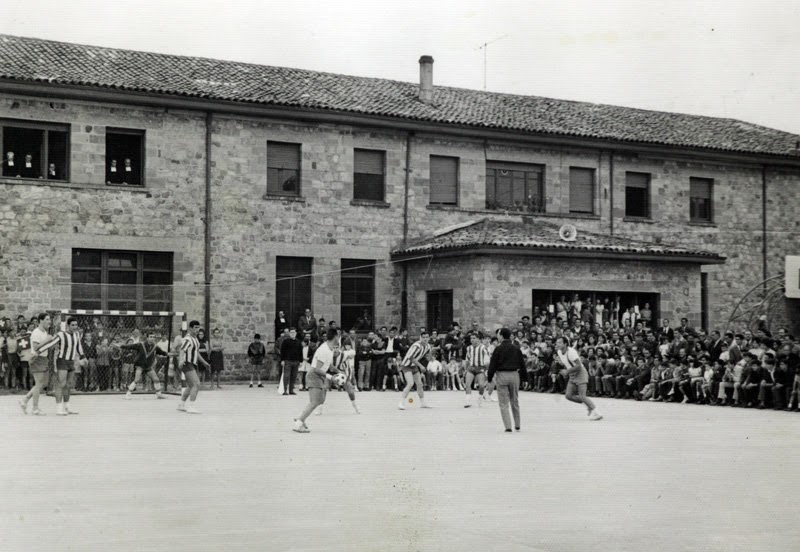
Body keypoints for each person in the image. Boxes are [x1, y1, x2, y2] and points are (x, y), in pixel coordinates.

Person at [36, 316, 87, 416]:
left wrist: (83, 357)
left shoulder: (77, 335)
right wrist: (38, 351)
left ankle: (67, 407)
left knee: (69, 385)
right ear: (67, 325)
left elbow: (79, 347)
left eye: (76, 325)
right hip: (62, 361)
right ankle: (59, 408)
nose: (75, 327)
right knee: (61, 384)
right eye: (72, 325)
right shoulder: (61, 334)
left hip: (71, 361)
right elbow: (50, 344)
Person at [293, 328, 340, 433]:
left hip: (319, 376)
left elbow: (329, 365)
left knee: (320, 400)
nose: (339, 338)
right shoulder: (324, 350)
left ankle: (300, 417)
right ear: (336, 337)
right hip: (314, 375)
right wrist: (331, 377)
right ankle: (299, 423)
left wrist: (339, 371)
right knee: (315, 401)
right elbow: (316, 369)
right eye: (339, 336)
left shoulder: (330, 349)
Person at [487, 328, 526, 432]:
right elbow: (522, 364)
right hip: (514, 374)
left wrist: (489, 377)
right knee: (515, 400)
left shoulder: (498, 349)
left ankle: (508, 426)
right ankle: (517, 424)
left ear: (502, 336)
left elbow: (493, 365)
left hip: (502, 375)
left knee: (503, 402)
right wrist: (525, 378)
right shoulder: (516, 348)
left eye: (499, 335)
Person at [556, 336, 603, 420]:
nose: (557, 344)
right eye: (557, 342)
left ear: (565, 344)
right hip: (572, 374)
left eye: (560, 342)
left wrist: (567, 371)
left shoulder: (571, 352)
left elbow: (578, 366)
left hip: (581, 373)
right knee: (568, 396)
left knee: (582, 396)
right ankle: (588, 405)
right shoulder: (559, 352)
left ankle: (597, 412)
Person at [118, 331, 172, 400]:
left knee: (156, 379)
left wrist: (172, 354)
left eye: (153, 337)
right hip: (140, 366)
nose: (152, 338)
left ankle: (159, 394)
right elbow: (130, 346)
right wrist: (121, 346)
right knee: (136, 380)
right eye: (150, 337)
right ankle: (128, 394)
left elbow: (163, 353)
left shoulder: (155, 347)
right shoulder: (141, 345)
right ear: (147, 338)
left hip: (148, 367)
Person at [18, 313, 53, 415]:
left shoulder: (45, 332)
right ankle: (35, 408)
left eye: (49, 319)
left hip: (44, 359)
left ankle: (25, 400)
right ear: (41, 321)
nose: (49, 321)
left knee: (44, 383)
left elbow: (45, 346)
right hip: (36, 358)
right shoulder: (36, 332)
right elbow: (36, 347)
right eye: (47, 319)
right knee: (39, 384)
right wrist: (47, 340)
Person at [177, 320, 211, 414]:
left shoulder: (195, 339)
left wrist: (204, 363)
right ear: (190, 328)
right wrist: (181, 360)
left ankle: (181, 404)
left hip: (192, 364)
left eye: (198, 327)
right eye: (195, 328)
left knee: (190, 385)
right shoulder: (187, 339)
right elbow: (182, 350)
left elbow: (196, 353)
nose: (197, 330)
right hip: (187, 363)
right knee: (196, 384)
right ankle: (191, 407)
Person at [397, 331, 432, 410]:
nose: (425, 339)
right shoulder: (417, 346)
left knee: (419, 384)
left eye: (427, 337)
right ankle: (401, 403)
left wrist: (427, 365)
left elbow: (427, 357)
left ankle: (423, 403)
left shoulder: (428, 346)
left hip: (414, 366)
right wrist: (421, 366)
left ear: (429, 338)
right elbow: (411, 358)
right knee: (410, 383)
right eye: (423, 337)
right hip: (406, 365)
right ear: (420, 338)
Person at [463, 333, 490, 408]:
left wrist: (486, 370)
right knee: (468, 384)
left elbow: (487, 360)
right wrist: (465, 369)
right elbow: (467, 359)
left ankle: (480, 398)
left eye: (474, 338)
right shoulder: (469, 348)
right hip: (471, 368)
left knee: (481, 385)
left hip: (480, 368)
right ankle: (468, 401)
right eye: (471, 338)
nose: (472, 339)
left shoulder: (483, 348)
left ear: (478, 339)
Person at [279, 328, 303, 395]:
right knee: (286, 376)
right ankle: (285, 390)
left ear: (296, 333)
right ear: (289, 333)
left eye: (294, 332)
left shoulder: (298, 342)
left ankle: (291, 390)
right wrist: (282, 360)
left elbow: (300, 352)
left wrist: (301, 361)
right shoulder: (285, 341)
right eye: (291, 332)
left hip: (296, 361)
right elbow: (282, 351)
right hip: (287, 361)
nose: (292, 333)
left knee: (294, 376)